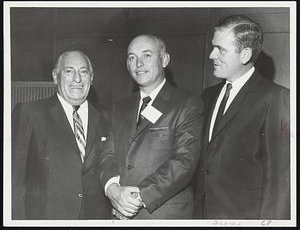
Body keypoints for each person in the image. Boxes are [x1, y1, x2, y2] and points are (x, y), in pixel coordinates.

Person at [194, 15, 290, 219]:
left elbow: (279, 179)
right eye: (213, 47)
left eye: (220, 49)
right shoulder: (207, 95)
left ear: (245, 54)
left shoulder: (276, 97)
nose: (211, 55)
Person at [98, 34, 204, 219]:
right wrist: (113, 190)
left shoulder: (187, 104)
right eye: (132, 57)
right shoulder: (120, 107)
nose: (138, 63)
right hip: (119, 214)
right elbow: (108, 155)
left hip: (163, 215)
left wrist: (136, 197)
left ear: (164, 59)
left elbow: (185, 162)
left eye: (146, 55)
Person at [12, 50, 112, 219]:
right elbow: (14, 179)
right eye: (69, 71)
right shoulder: (29, 112)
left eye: (83, 71)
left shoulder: (109, 116)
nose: (77, 79)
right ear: (55, 76)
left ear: (92, 77)